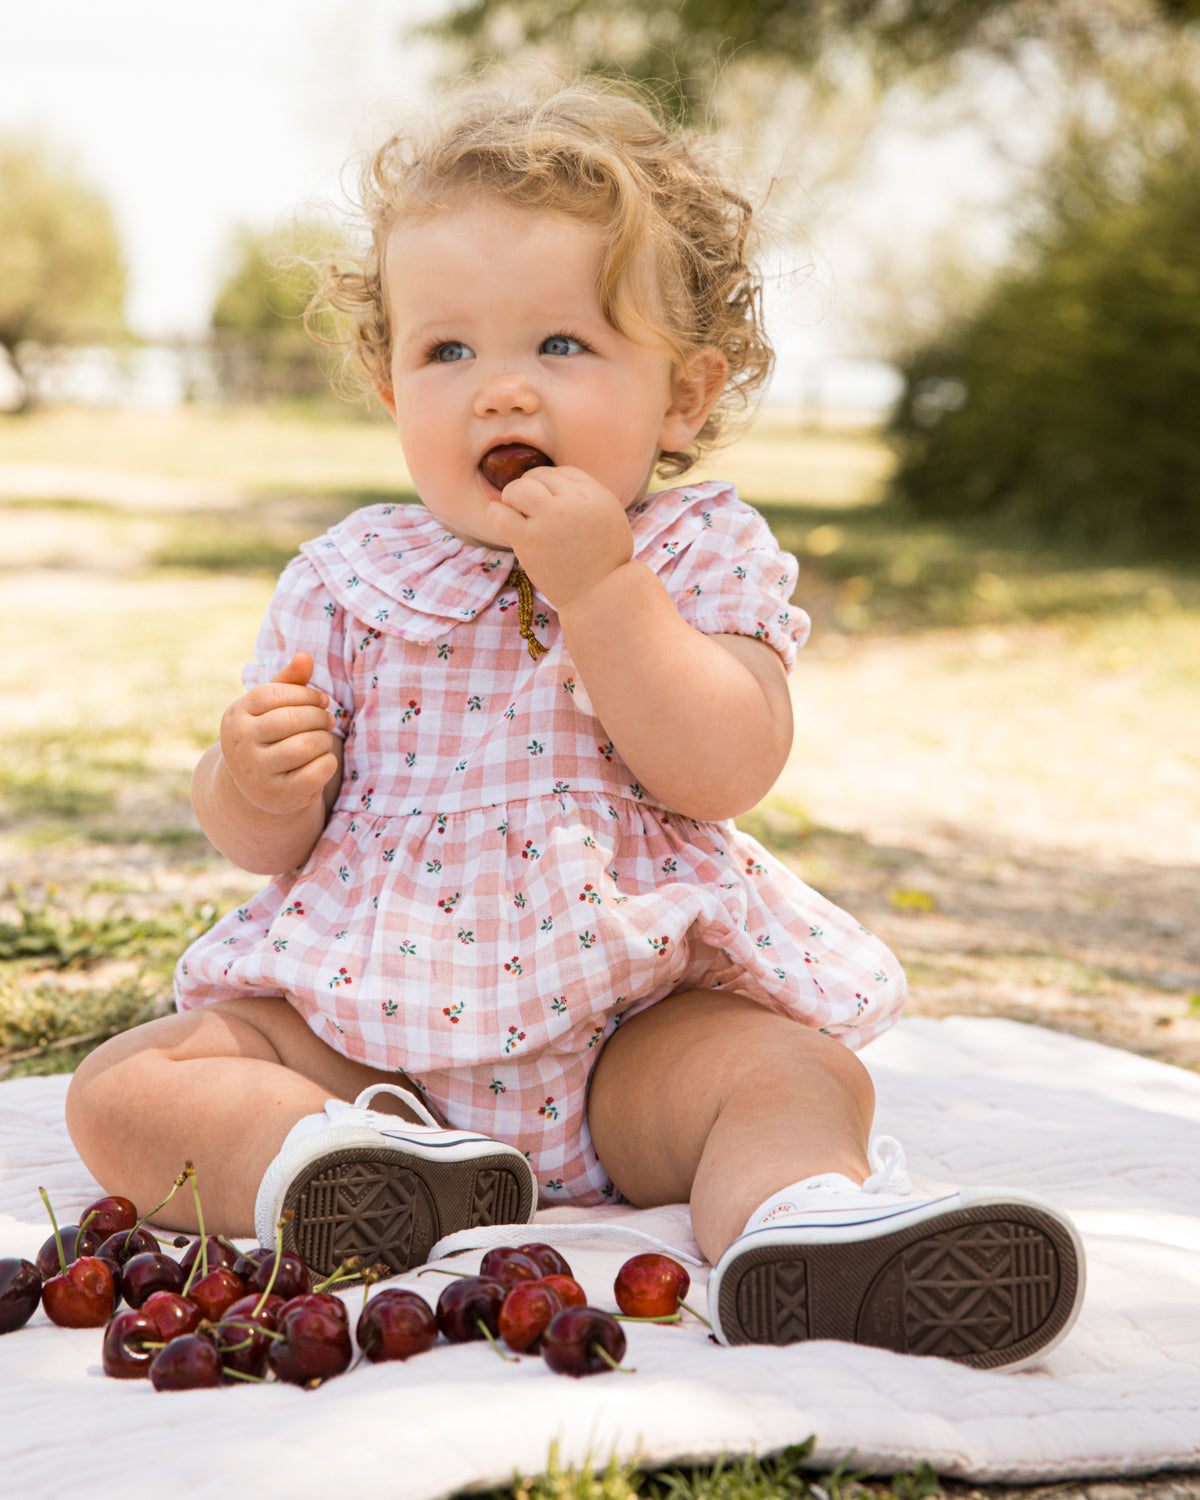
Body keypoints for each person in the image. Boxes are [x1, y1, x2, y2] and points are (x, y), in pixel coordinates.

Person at [66, 74, 1083, 1368]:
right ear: (391, 385)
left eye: (560, 346)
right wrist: (249, 779)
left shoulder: (697, 550)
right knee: (130, 1087)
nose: (500, 391)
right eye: (448, 351)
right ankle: (341, 1166)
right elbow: (265, 846)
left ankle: (806, 1223)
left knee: (792, 1076)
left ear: (684, 396)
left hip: (631, 1035)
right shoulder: (347, 577)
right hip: (365, 1041)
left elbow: (723, 766)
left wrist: (605, 592)